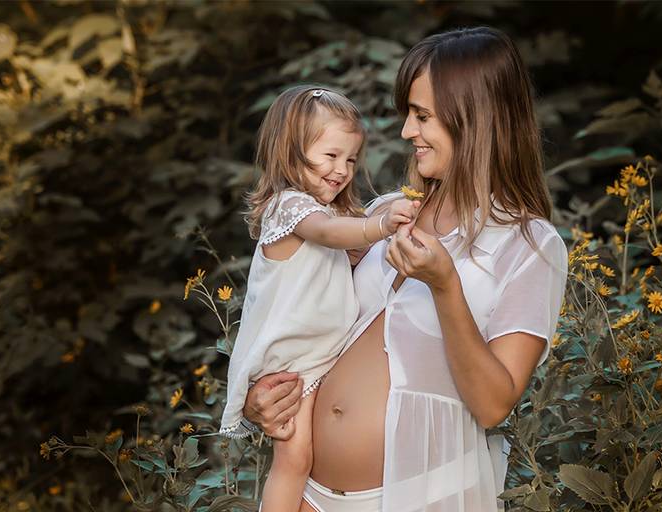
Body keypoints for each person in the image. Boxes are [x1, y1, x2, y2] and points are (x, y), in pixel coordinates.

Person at [242, 27, 569, 512]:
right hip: (309, 496)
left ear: (474, 119)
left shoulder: (528, 244)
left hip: (425, 497)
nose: (406, 132)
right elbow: (305, 315)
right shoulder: (389, 212)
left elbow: (494, 403)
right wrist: (260, 401)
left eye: (422, 116)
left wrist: (444, 286)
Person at [219, 85, 419, 512]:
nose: (342, 170)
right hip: (292, 360)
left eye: (350, 159)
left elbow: (344, 244)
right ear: (290, 152)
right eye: (330, 156)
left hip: (318, 353)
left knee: (302, 459)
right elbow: (330, 233)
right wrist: (380, 226)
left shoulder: (330, 214)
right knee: (295, 460)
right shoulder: (289, 208)